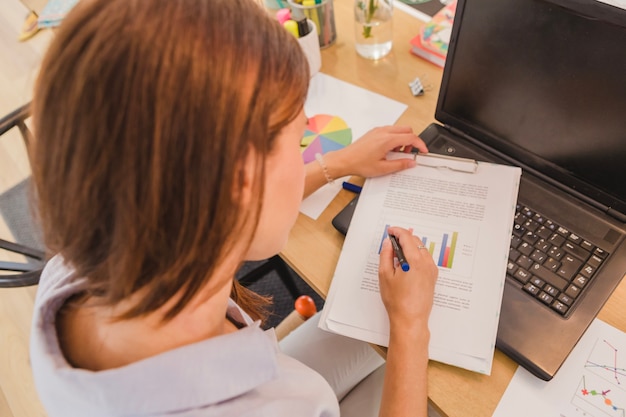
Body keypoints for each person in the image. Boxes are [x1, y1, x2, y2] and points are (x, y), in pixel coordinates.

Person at [28, 0, 439, 416]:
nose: (303, 158)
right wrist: (410, 328)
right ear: (240, 185)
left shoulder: (82, 264)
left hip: (266, 370)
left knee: (365, 325)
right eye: (298, 141)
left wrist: (340, 162)